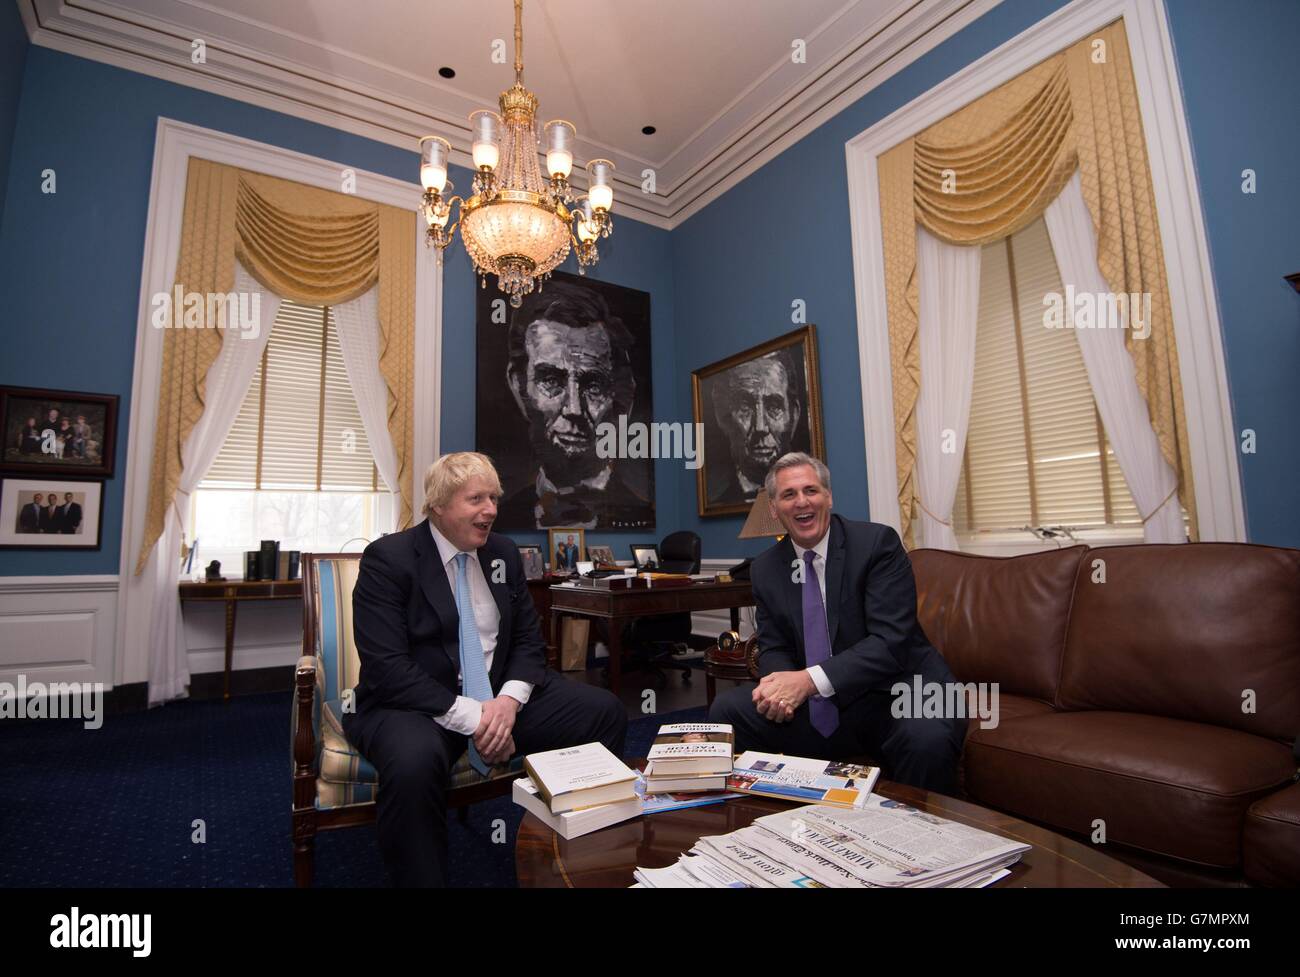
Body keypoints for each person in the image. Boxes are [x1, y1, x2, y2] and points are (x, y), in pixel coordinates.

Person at [343, 451, 627, 887]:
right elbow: (387, 668)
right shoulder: (390, 559)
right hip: (413, 705)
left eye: (493, 497)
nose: (491, 510)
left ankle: (575, 856)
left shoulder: (503, 554)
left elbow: (529, 643)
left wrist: (508, 702)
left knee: (604, 711)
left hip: (498, 697)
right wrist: (477, 718)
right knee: (413, 765)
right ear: (438, 505)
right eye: (476, 498)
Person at [708, 452, 966, 795]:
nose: (802, 501)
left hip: (898, 691)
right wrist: (780, 689)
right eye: (789, 494)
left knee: (926, 739)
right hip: (824, 704)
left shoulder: (876, 545)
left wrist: (807, 681)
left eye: (811, 490)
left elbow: (890, 643)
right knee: (727, 710)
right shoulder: (766, 568)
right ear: (774, 509)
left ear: (828, 496)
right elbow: (774, 645)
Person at [496, 282, 651, 530]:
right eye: (550, 380)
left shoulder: (637, 513)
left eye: (593, 385)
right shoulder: (499, 521)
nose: (574, 409)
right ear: (518, 385)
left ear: (623, 397)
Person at [709, 352, 801, 507]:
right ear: (723, 419)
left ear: (794, 415)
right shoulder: (717, 499)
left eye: (774, 407)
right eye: (745, 407)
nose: (760, 427)